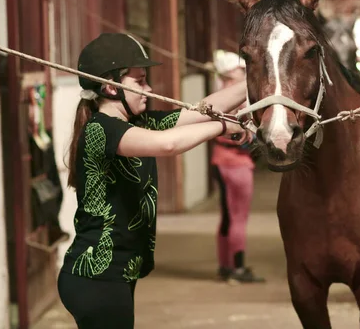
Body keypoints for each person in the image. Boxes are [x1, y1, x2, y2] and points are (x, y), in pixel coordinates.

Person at [57, 33, 248, 328]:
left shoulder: (138, 122)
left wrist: (259, 81)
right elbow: (168, 145)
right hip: (96, 277)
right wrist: (222, 126)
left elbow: (201, 109)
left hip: (114, 275)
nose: (149, 88)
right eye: (140, 81)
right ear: (111, 86)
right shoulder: (101, 129)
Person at [210, 50, 265, 284]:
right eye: (240, 71)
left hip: (220, 161)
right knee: (238, 217)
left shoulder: (216, 97)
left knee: (227, 217)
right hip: (236, 164)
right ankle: (238, 269)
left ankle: (225, 265)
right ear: (228, 75)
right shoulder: (237, 101)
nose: (244, 73)